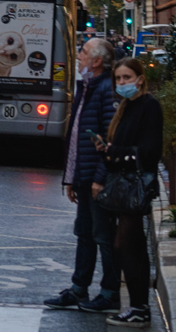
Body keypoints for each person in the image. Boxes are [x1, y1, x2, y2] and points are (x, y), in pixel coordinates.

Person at [44, 37, 120, 313]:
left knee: (103, 237)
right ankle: (79, 289)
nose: (79, 55)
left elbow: (107, 140)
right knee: (85, 234)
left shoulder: (104, 90)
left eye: (84, 52)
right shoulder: (88, 87)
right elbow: (76, 137)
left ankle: (110, 293)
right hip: (85, 177)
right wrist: (73, 178)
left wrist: (99, 178)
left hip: (97, 181)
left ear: (97, 61)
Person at [92, 57, 163, 327]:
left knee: (127, 245)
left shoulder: (149, 106)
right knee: (129, 246)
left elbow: (149, 151)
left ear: (140, 78)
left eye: (127, 78)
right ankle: (138, 307)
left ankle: (139, 308)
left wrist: (114, 152)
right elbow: (122, 148)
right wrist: (106, 149)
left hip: (135, 187)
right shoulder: (126, 106)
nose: (122, 83)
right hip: (124, 186)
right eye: (118, 79)